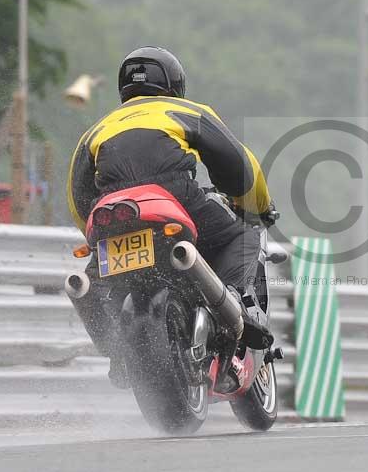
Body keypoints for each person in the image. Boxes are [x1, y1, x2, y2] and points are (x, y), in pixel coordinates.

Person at [66, 46, 275, 385]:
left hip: (110, 211)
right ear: (173, 82)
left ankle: (117, 353)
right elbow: (238, 166)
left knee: (93, 281)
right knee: (244, 234)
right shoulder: (185, 110)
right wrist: (256, 208)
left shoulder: (96, 129)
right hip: (173, 196)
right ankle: (235, 306)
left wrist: (94, 236)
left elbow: (78, 197)